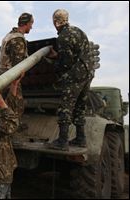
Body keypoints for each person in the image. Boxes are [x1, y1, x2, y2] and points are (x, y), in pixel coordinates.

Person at [47, 9, 94, 151]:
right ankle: (80, 138)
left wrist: (53, 60)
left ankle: (62, 141)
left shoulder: (63, 37)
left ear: (56, 22)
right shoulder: (79, 31)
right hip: (88, 73)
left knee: (66, 105)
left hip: (76, 75)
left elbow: (65, 64)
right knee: (80, 105)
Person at [0, 12, 34, 121]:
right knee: (16, 104)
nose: (32, 26)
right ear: (26, 23)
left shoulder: (10, 35)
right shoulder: (17, 39)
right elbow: (18, 66)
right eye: (31, 23)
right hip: (10, 77)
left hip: (1, 74)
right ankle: (13, 128)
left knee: (3, 103)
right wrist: (18, 79)